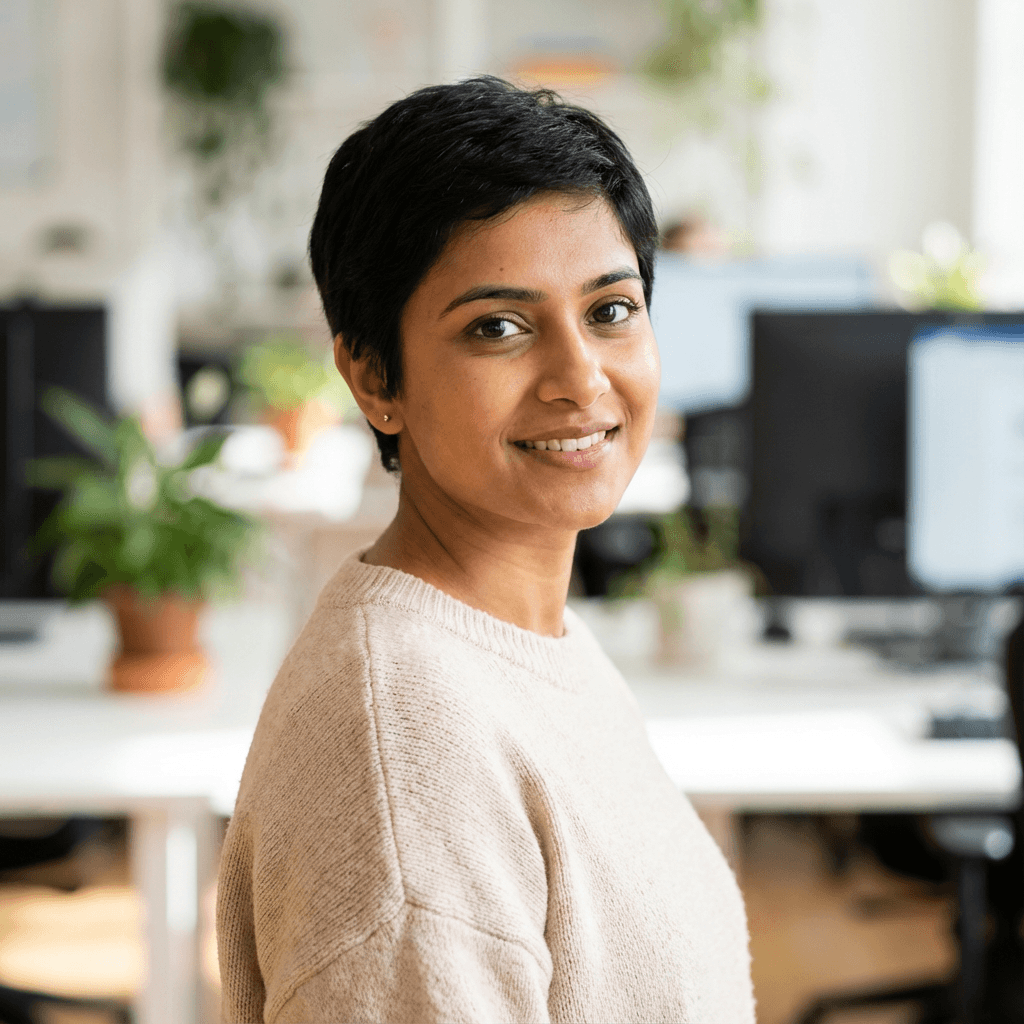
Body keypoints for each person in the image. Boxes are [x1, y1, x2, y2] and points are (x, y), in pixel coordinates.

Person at [217, 76, 754, 1023]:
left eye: (611, 310)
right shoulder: (407, 758)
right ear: (375, 376)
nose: (580, 378)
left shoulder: (526, 638)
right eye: (498, 327)